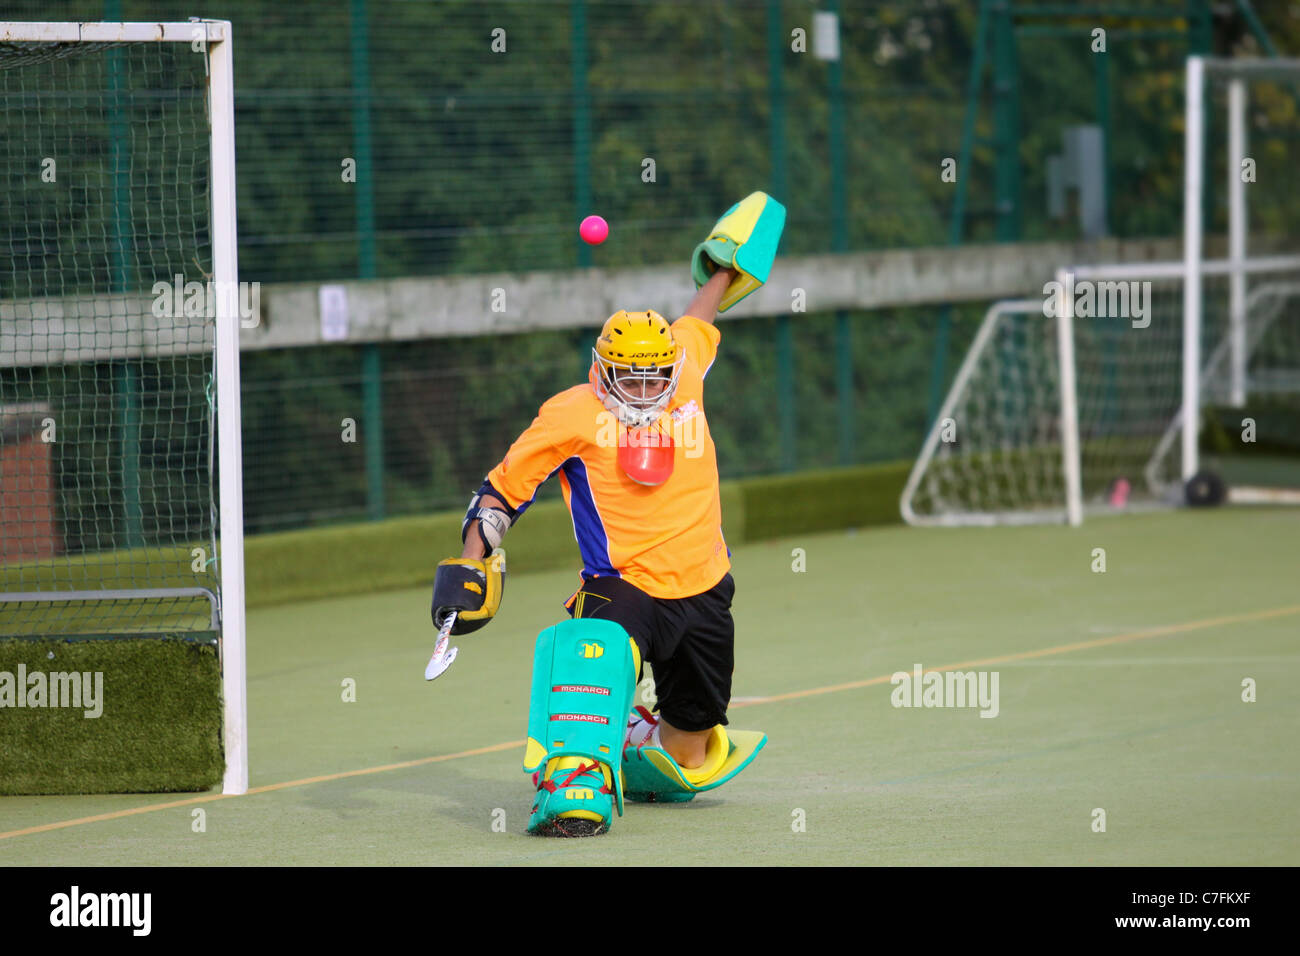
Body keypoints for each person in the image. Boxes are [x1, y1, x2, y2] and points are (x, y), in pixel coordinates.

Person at [431, 195, 782, 836]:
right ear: (603, 370)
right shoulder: (570, 413)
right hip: (622, 585)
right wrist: (470, 562)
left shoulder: (686, 363)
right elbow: (501, 493)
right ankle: (572, 779)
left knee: (689, 754)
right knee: (588, 645)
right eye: (632, 379)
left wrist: (727, 267)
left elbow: (700, 313)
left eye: (657, 379)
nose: (647, 391)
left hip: (705, 586)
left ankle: (636, 733)